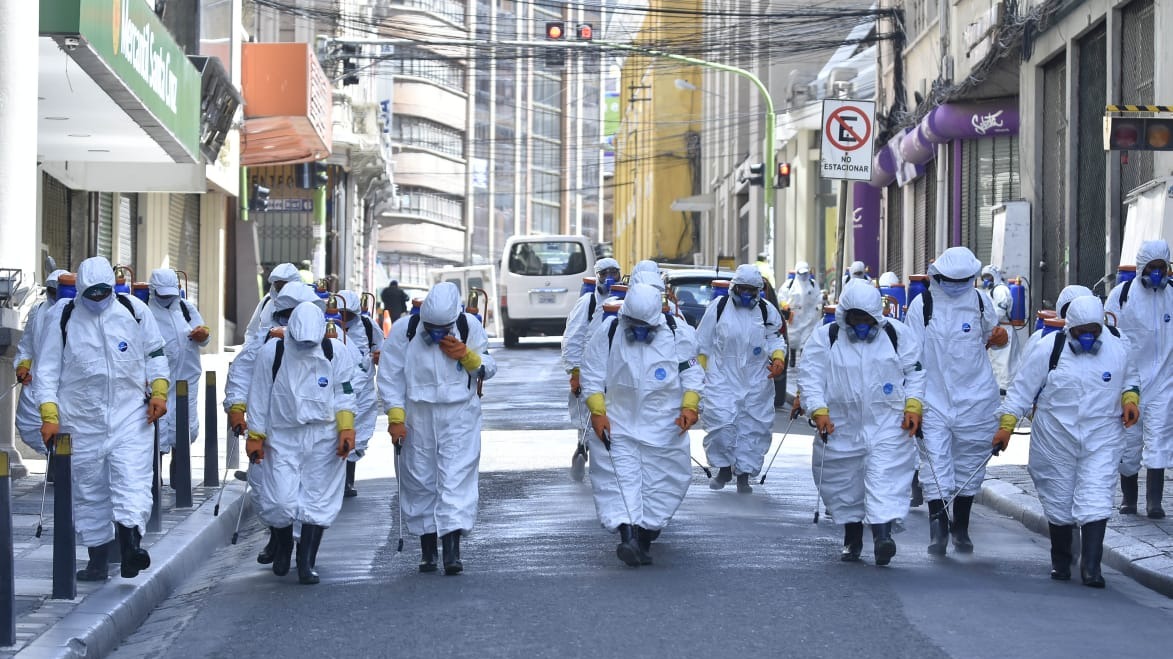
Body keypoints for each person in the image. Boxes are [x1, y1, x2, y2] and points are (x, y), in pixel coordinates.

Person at [32, 256, 169, 581]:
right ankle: (97, 559)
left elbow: (155, 354)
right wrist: (49, 414)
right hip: (81, 421)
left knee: (131, 481)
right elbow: (47, 371)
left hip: (131, 415)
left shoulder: (134, 311)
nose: (97, 299)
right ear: (80, 291)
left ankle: (131, 549)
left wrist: (160, 392)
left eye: (102, 292)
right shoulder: (62, 318)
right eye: (91, 294)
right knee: (90, 491)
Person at [994, 296, 1140, 587]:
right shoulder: (1050, 349)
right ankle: (1061, 561)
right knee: (1059, 499)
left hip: (1102, 436)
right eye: (1081, 330)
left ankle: (1091, 567)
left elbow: (1130, 378)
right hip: (1056, 437)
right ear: (1069, 327)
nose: (1088, 337)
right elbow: (1022, 391)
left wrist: (1130, 398)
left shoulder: (1118, 347)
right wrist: (1006, 426)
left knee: (1097, 496)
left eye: (1093, 330)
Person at [798, 280, 924, 565]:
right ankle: (852, 538)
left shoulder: (896, 335)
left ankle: (882, 537)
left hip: (888, 422)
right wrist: (818, 411)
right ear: (846, 316)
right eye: (855, 318)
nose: (861, 324)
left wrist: (914, 406)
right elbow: (811, 377)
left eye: (866, 318)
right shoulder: (825, 338)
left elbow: (915, 372)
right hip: (841, 424)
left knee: (886, 477)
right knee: (845, 484)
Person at [580, 283, 703, 566]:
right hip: (618, 423)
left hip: (664, 427)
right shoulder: (609, 333)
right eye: (633, 324)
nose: (639, 331)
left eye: (644, 326)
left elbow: (692, 375)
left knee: (663, 484)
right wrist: (597, 412)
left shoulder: (678, 335)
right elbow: (592, 374)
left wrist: (690, 406)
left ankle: (644, 539)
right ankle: (627, 537)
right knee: (620, 481)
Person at [378, 282, 497, 575]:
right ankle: (428, 550)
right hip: (417, 417)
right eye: (431, 327)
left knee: (455, 478)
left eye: (442, 328)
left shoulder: (470, 327)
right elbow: (390, 377)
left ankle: (452, 551)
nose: (436, 334)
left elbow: (489, 367)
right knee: (420, 479)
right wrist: (395, 418)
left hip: (459, 416)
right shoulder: (404, 332)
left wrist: (468, 357)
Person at [905, 246, 1006, 556]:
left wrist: (999, 337)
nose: (957, 284)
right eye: (952, 279)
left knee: (970, 465)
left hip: (976, 398)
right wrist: (913, 403)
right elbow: (911, 358)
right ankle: (939, 531)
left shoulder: (980, 302)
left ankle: (961, 526)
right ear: (939, 276)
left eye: (964, 279)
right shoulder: (922, 306)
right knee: (935, 462)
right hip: (933, 397)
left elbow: (991, 334)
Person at [247, 301, 358, 585]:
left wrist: (346, 429)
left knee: (317, 500)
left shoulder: (337, 353)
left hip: (323, 436)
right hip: (282, 436)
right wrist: (255, 436)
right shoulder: (273, 352)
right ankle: (283, 545)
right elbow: (259, 396)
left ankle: (306, 561)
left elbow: (345, 392)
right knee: (279, 499)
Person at [224, 282, 323, 564]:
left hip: (312, 432)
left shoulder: (327, 344)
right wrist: (237, 408)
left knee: (308, 493)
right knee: (267, 490)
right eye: (288, 314)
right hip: (269, 429)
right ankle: (278, 540)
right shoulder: (264, 343)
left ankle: (304, 552)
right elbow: (241, 375)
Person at [697, 264, 787, 494]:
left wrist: (778, 358)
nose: (746, 295)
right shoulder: (718, 308)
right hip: (722, 377)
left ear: (758, 291)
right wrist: (700, 377)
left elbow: (775, 339)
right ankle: (724, 467)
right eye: (742, 289)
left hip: (756, 379)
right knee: (721, 423)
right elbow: (703, 343)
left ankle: (744, 476)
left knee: (753, 428)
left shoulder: (767, 311)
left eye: (751, 290)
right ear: (734, 288)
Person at [1104, 240, 1173, 519]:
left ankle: (1154, 502)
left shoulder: (1171, 297)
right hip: (1129, 385)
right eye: (1152, 267)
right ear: (1142, 266)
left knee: (1159, 440)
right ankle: (1129, 498)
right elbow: (1108, 339)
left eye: (1162, 267)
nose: (1157, 273)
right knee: (1129, 446)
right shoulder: (1121, 297)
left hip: (1164, 384)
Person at [560, 257, 622, 481]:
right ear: (596, 277)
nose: (609, 277)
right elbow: (573, 339)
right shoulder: (588, 303)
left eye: (614, 272)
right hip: (589, 369)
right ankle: (583, 448)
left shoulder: (625, 300)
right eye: (604, 273)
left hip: (615, 370)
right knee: (586, 414)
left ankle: (609, 458)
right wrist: (575, 372)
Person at [145, 269, 210, 482]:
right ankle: (155, 477)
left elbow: (203, 335)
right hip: (159, 381)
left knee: (184, 426)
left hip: (187, 381)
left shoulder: (186, 308)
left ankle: (179, 475)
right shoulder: (145, 313)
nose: (167, 299)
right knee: (158, 429)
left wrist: (202, 334)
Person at [14, 269, 68, 460]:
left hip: (68, 380)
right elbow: (27, 344)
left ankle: (61, 464)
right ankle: (52, 457)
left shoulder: (74, 310)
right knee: (30, 423)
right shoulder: (38, 310)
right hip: (40, 378)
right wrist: (23, 365)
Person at [335, 290, 384, 498]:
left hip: (362, 392)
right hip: (336, 388)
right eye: (340, 313)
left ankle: (347, 482)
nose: (344, 318)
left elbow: (382, 350)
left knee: (357, 435)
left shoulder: (366, 326)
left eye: (348, 314)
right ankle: (333, 482)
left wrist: (377, 358)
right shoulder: (327, 326)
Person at [980, 265, 1021, 393]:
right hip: (996, 328)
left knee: (1005, 360)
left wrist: (988, 323)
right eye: (984, 277)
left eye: (989, 277)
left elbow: (1000, 310)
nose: (987, 280)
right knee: (996, 360)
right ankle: (999, 386)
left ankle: (1006, 387)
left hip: (1004, 328)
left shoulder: (1001, 290)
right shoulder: (990, 291)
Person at [243, 263, 301, 346]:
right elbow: (252, 331)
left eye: (285, 286)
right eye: (277, 285)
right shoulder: (267, 301)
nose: (281, 290)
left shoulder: (306, 306)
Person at [778, 261, 821, 366]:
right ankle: (792, 358)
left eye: (805, 273)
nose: (803, 276)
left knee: (806, 340)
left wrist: (817, 309)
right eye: (801, 273)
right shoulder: (790, 284)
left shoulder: (813, 284)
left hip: (808, 318)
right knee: (793, 339)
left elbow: (818, 299)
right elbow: (781, 296)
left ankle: (803, 360)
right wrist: (784, 305)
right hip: (795, 319)